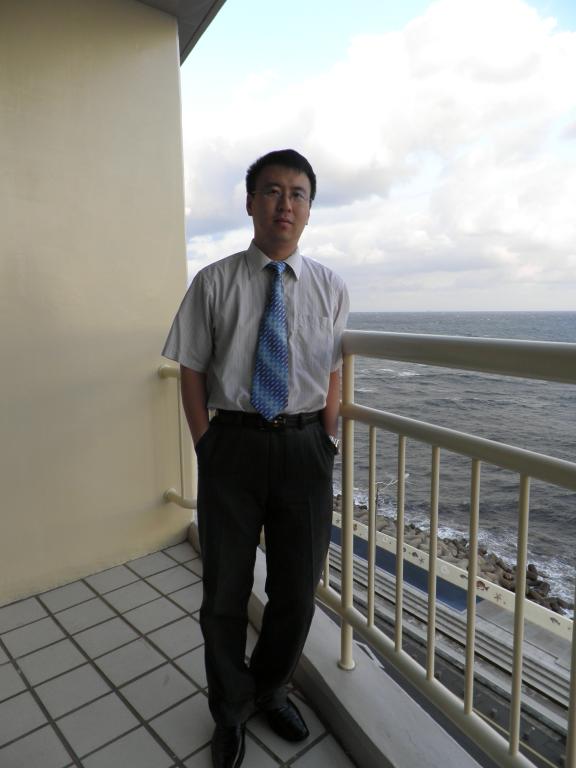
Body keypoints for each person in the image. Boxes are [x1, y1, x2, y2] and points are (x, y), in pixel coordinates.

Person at [162, 149, 349, 768]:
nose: (284, 204)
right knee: (224, 590)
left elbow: (333, 371)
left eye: (298, 194)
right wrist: (206, 444)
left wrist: (327, 440)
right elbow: (191, 368)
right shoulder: (213, 282)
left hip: (305, 450)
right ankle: (229, 708)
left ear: (309, 209)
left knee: (297, 589)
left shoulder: (330, 287)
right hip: (233, 447)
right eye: (272, 191)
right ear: (250, 203)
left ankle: (269, 689)